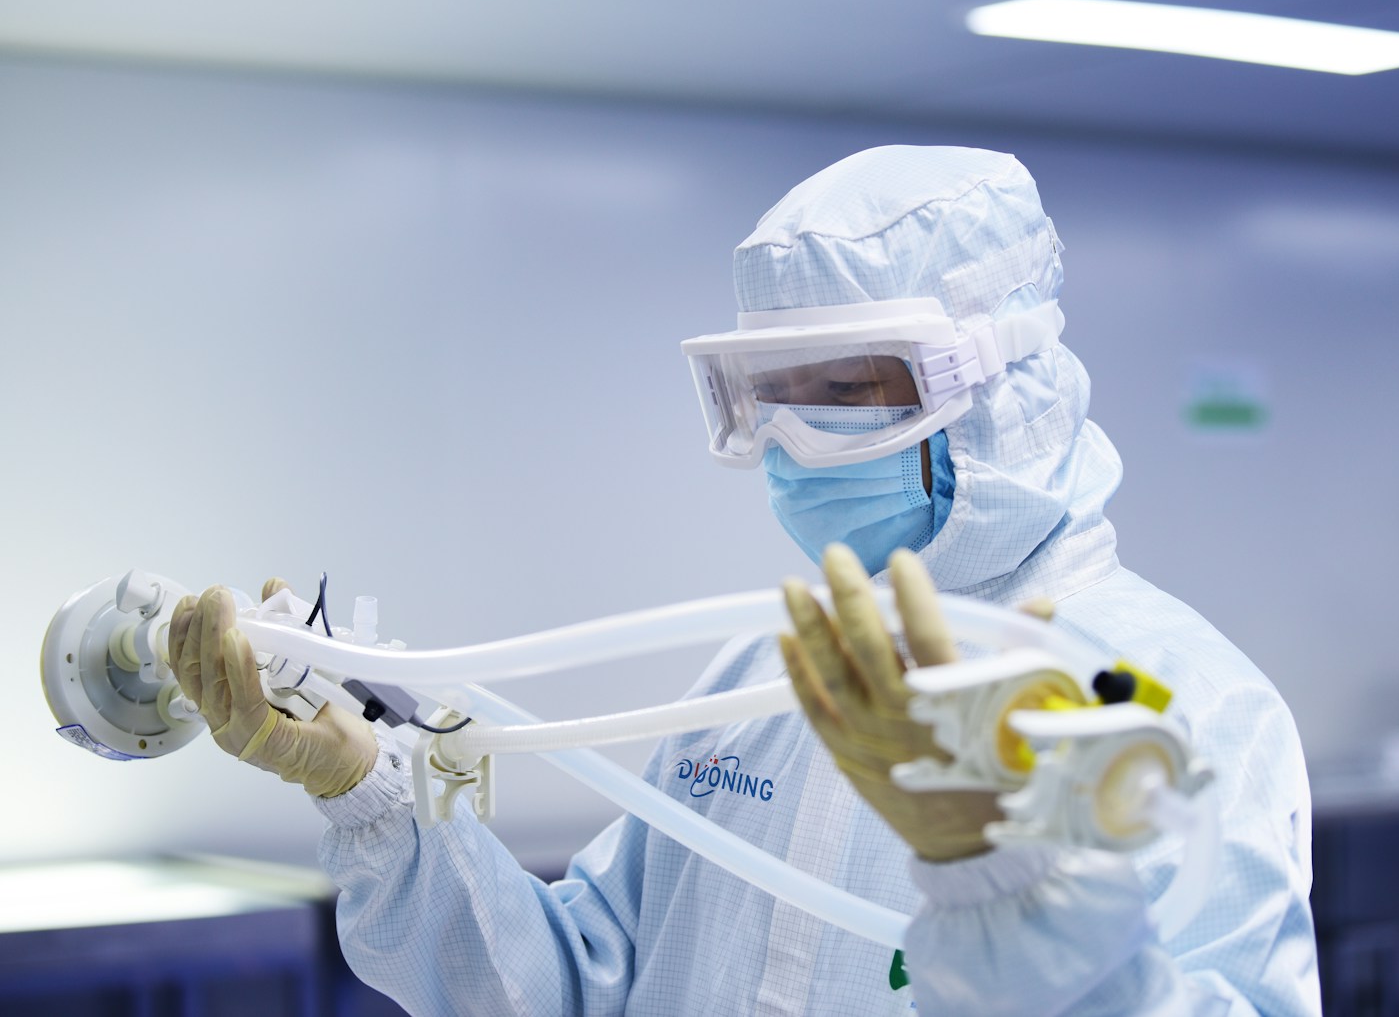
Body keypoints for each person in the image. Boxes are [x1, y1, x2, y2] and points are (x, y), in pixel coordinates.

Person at [169, 145, 1320, 1015]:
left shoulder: (1184, 706)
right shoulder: (765, 681)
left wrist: (1014, 895)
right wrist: (376, 797)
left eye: (843, 390)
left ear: (994, 383)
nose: (789, 441)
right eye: (768, 393)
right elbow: (574, 987)